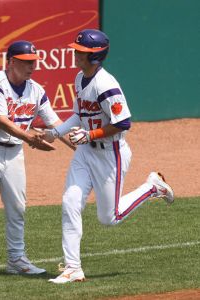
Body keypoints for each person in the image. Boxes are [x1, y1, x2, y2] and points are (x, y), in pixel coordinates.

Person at [43, 29, 174, 284]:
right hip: (85, 154)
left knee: (109, 218)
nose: (75, 54)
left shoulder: (106, 85)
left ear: (95, 56)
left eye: (81, 52)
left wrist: (91, 135)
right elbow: (79, 115)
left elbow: (124, 123)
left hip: (110, 154)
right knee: (70, 203)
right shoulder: (80, 78)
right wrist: (55, 132)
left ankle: (152, 187)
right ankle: (73, 268)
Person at [0, 40, 62, 280]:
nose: (31, 67)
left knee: (17, 208)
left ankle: (16, 260)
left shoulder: (36, 90)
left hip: (14, 153)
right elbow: (1, 121)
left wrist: (81, 146)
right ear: (11, 62)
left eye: (33, 62)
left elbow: (56, 124)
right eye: (25, 62)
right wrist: (31, 138)